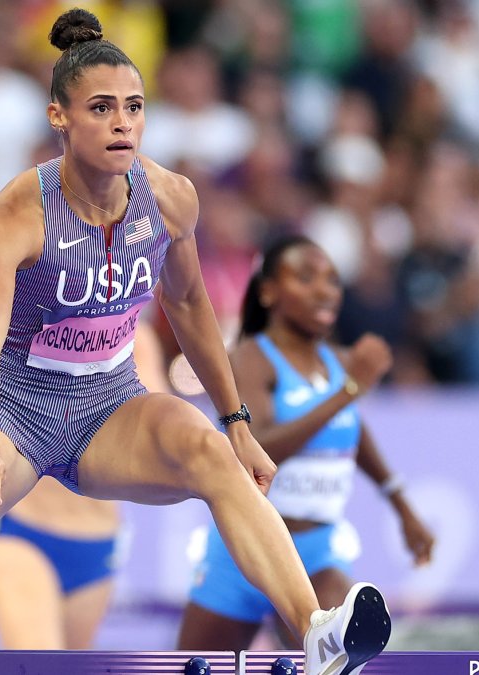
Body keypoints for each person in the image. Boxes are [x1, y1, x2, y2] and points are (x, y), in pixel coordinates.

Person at [0, 11, 391, 675]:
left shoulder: (170, 198)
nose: (122, 123)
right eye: (101, 108)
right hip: (18, 412)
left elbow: (189, 303)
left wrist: (236, 421)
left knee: (211, 454)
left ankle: (315, 629)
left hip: (109, 402)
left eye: (134, 108)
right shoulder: (15, 213)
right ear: (60, 116)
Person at [177, 236, 435, 654]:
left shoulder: (340, 363)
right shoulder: (250, 359)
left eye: (332, 280)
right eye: (306, 277)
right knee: (193, 666)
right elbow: (256, 447)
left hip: (317, 554)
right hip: (243, 550)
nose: (325, 290)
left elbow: (351, 429)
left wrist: (400, 502)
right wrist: (347, 392)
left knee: (342, 651)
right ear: (268, 291)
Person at [0, 319, 167, 650]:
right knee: (37, 663)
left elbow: (155, 429)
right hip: (25, 532)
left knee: (69, 666)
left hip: (96, 541)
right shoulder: (23, 317)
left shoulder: (138, 336)